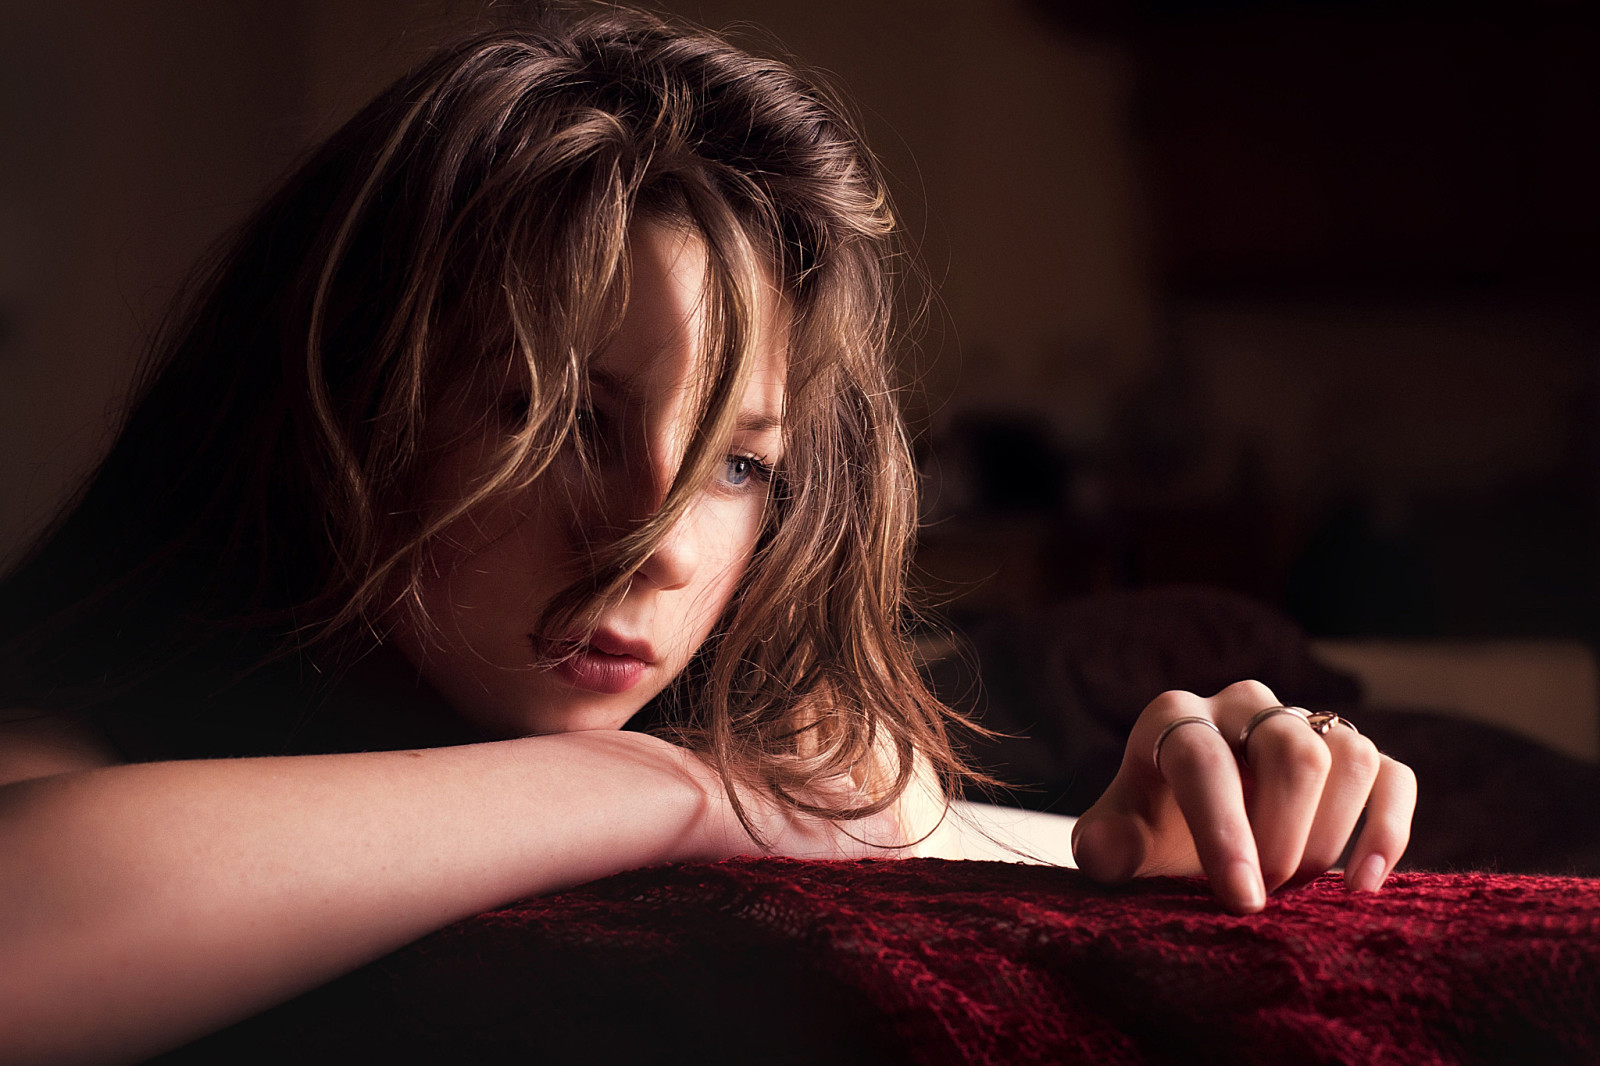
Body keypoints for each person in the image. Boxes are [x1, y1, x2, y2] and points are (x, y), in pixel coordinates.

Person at [0, 6, 1415, 1063]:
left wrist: (1154, 844)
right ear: (346, 397)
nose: (658, 541)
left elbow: (927, 825)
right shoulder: (112, 693)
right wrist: (673, 789)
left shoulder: (763, 716)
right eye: (559, 419)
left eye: (741, 462)